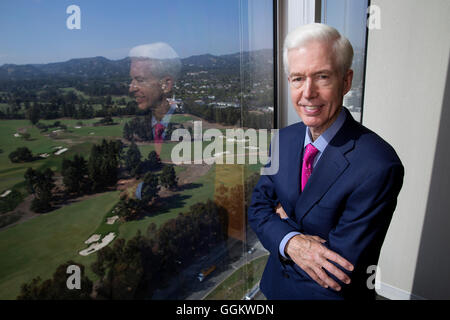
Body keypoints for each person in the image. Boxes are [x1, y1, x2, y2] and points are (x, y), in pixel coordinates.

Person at [248, 23, 404, 300]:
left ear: (346, 81)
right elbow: (258, 209)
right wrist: (293, 242)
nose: (308, 93)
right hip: (272, 288)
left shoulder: (379, 165)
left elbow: (335, 272)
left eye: (322, 77)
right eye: (297, 78)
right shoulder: (283, 140)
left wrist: (281, 224)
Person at [128, 42, 181, 148]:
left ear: (165, 85)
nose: (131, 89)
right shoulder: (149, 119)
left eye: (140, 80)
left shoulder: (183, 124)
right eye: (132, 80)